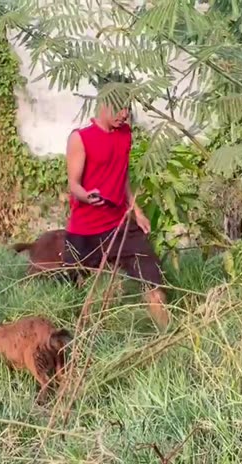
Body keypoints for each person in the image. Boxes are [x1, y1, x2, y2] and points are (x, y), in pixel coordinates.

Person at [64, 100, 170, 329]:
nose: (124, 114)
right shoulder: (80, 138)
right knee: (71, 293)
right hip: (85, 230)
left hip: (120, 225)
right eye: (119, 108)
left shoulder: (125, 134)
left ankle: (168, 337)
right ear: (103, 103)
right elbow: (74, 184)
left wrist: (137, 212)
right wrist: (86, 196)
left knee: (154, 283)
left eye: (127, 109)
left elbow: (121, 177)